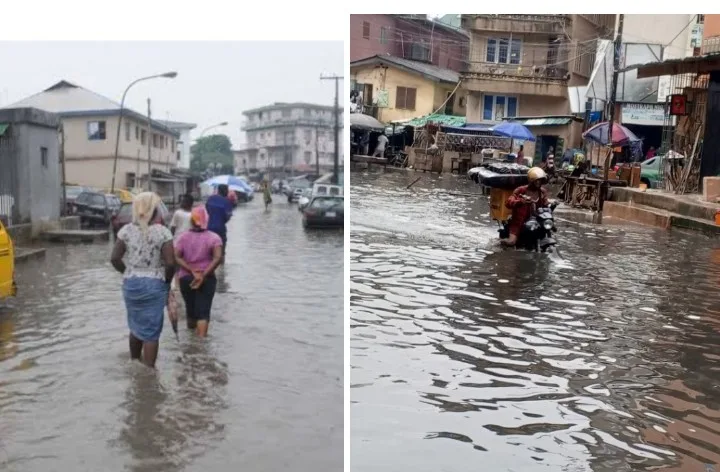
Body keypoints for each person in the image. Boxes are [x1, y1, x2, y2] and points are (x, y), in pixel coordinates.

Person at [110, 192, 175, 368]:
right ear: (154, 210)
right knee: (152, 332)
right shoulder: (163, 232)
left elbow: (115, 259)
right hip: (154, 284)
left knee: (135, 324)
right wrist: (167, 283)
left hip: (131, 285)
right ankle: (148, 374)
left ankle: (134, 363)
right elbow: (170, 263)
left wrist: (128, 272)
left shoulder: (126, 231)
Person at [174, 206, 223, 337]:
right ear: (206, 219)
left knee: (190, 311)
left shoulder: (183, 237)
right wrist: (203, 275)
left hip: (186, 279)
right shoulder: (214, 238)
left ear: (191, 220)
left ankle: (191, 345)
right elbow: (218, 258)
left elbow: (177, 256)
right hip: (207, 279)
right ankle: (201, 347)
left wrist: (191, 270)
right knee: (203, 312)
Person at [500, 167, 550, 247]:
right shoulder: (521, 190)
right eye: (536, 180)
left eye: (540, 180)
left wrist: (550, 205)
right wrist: (521, 201)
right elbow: (508, 202)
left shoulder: (542, 192)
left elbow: (546, 204)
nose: (538, 182)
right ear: (531, 180)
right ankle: (500, 243)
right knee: (511, 242)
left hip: (537, 221)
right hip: (519, 222)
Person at [206, 184, 233, 261]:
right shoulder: (227, 202)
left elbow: (207, 211)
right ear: (224, 191)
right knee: (221, 251)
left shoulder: (210, 199)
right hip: (220, 228)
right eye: (227, 190)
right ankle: (221, 269)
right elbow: (228, 217)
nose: (228, 192)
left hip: (209, 228)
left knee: (209, 250)